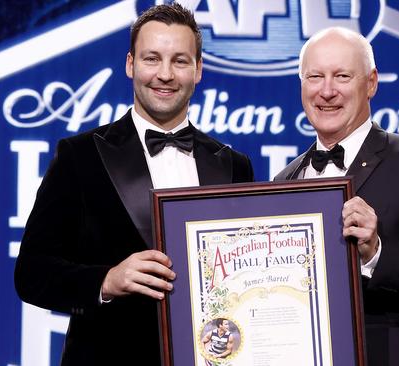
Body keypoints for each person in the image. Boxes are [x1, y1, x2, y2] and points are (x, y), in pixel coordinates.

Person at [14, 4, 254, 365]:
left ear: (198, 70)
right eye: (152, 59)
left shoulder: (235, 165)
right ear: (131, 65)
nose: (165, 74)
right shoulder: (79, 157)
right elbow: (31, 273)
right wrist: (106, 280)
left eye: (180, 61)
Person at [274, 27, 399, 365]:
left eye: (342, 76)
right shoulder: (286, 178)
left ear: (371, 82)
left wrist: (376, 252)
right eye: (315, 77)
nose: (327, 91)